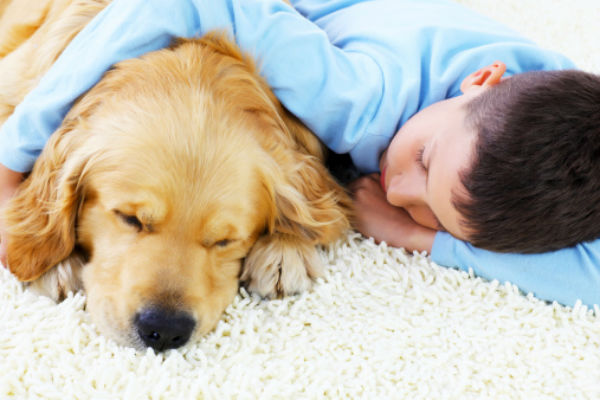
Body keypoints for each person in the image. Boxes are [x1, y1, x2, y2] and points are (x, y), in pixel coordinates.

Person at [1, 0, 600, 307]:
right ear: (482, 80)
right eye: (421, 161)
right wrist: (13, 159)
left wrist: (420, 240)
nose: (394, 191)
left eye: (429, 211)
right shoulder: (356, 97)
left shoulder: (567, 128)